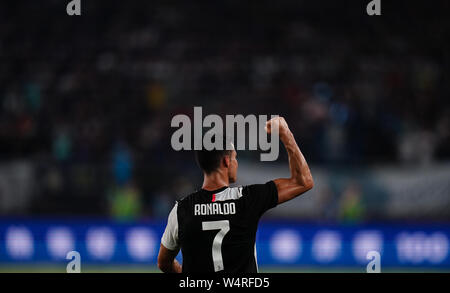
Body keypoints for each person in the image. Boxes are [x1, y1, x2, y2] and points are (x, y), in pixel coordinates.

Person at [157, 117, 314, 273]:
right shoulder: (247, 199)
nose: (236, 163)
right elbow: (303, 181)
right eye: (235, 157)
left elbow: (164, 263)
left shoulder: (181, 209)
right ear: (226, 161)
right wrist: (285, 133)